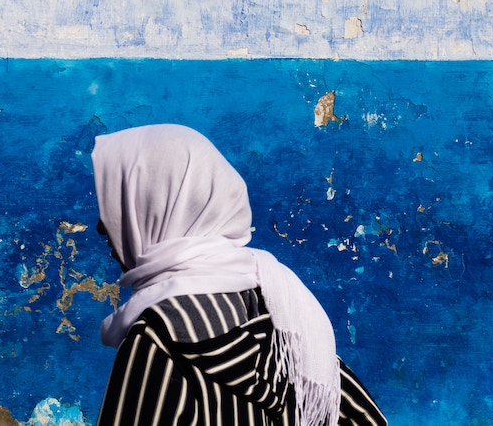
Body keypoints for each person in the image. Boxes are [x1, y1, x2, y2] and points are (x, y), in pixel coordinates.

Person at [91, 124, 387, 426]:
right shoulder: (288, 322)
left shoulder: (157, 339)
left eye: (118, 203)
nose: (102, 227)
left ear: (157, 206)